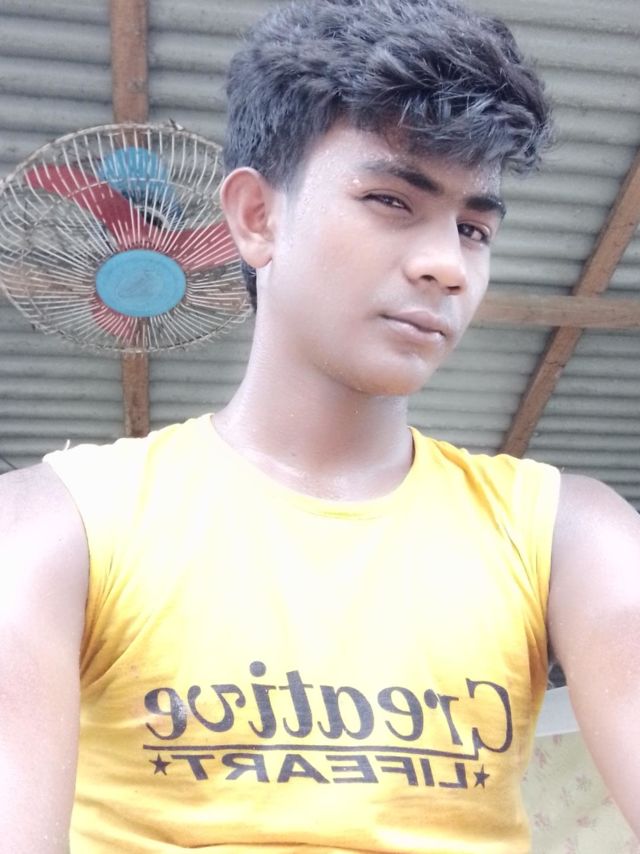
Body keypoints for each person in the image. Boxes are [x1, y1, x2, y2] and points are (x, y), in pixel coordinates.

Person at [1, 0, 639, 851]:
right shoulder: (56, 525)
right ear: (256, 217)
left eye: (474, 229)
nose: (447, 265)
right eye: (390, 200)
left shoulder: (570, 534)